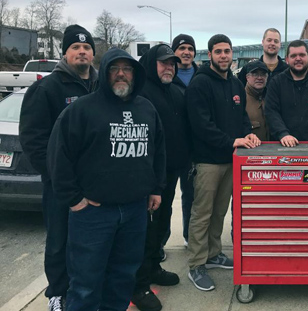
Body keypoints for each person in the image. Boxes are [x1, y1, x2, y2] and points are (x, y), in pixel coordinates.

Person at [46, 48, 166, 311]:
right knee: (86, 284)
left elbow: (158, 151)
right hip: (93, 214)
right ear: (105, 73)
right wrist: (74, 199)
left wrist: (156, 188)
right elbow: (58, 155)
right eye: (115, 68)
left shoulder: (146, 109)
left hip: (135, 211)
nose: (121, 74)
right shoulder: (82, 110)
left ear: (135, 74)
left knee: (122, 279)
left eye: (127, 69)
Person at [19, 24, 98, 311]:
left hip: (95, 184)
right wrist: (57, 177)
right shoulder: (46, 88)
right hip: (61, 186)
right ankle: (58, 293)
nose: (81, 52)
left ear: (92, 53)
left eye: (86, 47)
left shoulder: (101, 87)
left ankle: (86, 288)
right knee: (59, 241)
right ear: (65, 53)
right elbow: (33, 140)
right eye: (75, 47)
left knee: (90, 242)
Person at [186, 34, 260, 291]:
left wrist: (248, 132)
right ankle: (196, 264)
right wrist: (232, 141)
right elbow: (201, 126)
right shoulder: (200, 84)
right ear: (210, 55)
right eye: (218, 52)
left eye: (227, 51)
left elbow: (242, 117)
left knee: (219, 211)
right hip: (208, 161)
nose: (223, 56)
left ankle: (213, 253)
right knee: (202, 213)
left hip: (231, 159)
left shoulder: (235, 84)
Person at [131, 44, 189, 311]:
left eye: (172, 64)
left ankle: (154, 267)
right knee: (143, 230)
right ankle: (139, 285)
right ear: (152, 64)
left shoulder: (175, 90)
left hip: (171, 172)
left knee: (161, 224)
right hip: (146, 176)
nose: (169, 67)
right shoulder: (140, 94)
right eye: (164, 63)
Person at [170, 34, 198, 248]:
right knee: (164, 198)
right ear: (174, 52)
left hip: (197, 148)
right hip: (172, 148)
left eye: (190, 48)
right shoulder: (167, 77)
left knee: (191, 196)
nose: (186, 52)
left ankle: (190, 237)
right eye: (181, 48)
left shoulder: (202, 76)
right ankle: (159, 243)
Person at [244, 60, 270, 141]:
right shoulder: (240, 99)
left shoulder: (272, 98)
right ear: (247, 77)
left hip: (272, 150)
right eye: (255, 74)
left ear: (267, 77)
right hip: (249, 150)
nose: (259, 77)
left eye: (263, 74)